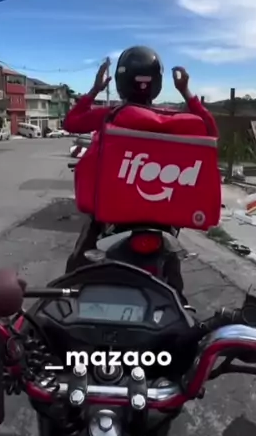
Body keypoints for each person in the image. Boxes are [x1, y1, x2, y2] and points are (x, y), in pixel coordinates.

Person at [63, 46, 219, 301]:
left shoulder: (110, 116)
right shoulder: (173, 122)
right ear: (157, 84)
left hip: (112, 212)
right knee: (172, 272)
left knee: (77, 268)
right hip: (163, 219)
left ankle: (67, 300)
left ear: (122, 82)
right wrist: (186, 92)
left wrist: (95, 89)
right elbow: (211, 130)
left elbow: (71, 122)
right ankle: (179, 308)